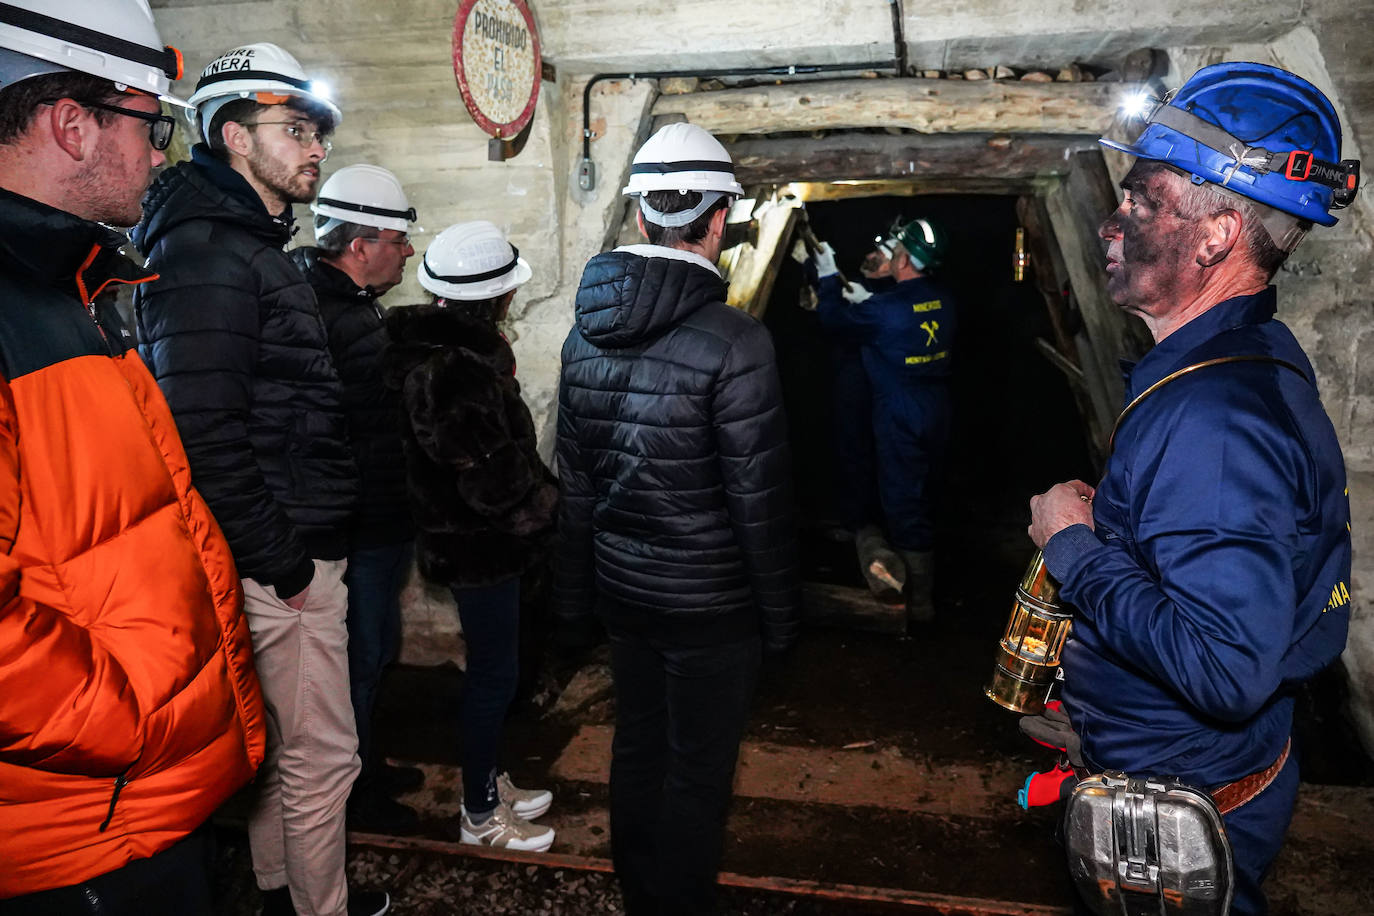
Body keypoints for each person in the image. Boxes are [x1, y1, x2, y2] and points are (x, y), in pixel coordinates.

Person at [1027, 62, 1356, 916]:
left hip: (1183, 800)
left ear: (1215, 235)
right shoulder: (1235, 360)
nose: (1110, 221)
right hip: (1190, 767)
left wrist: (1071, 546)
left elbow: (1221, 668)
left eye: (1141, 200)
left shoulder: (1213, 420)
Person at [0, 3, 265, 913]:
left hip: (126, 808)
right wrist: (132, 720)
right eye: (152, 126)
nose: (163, 155)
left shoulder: (69, 283)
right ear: (72, 126)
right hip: (80, 831)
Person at [131, 43, 385, 916]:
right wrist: (285, 561)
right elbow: (200, 432)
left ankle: (281, 894)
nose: (314, 149)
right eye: (295, 130)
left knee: (282, 752)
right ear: (234, 137)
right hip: (281, 552)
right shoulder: (213, 253)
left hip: (281, 541)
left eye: (316, 132)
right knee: (325, 758)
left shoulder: (241, 241)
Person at [555, 122, 800, 916]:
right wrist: (781, 618)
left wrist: (574, 600)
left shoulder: (582, 335)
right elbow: (757, 503)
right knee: (697, 765)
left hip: (626, 593)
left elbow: (576, 482)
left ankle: (638, 890)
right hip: (710, 606)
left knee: (637, 744)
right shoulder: (735, 341)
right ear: (718, 220)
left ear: (639, 219)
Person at [385, 220, 558, 853]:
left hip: (477, 542)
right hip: (479, 547)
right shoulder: (454, 367)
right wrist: (544, 510)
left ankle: (491, 779)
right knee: (491, 676)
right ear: (499, 298)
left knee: (497, 670)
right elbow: (486, 475)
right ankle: (480, 814)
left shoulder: (453, 355)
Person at [291, 164, 423, 834]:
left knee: (373, 653)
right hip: (360, 524)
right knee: (359, 661)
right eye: (399, 240)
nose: (407, 252)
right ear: (362, 243)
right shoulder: (325, 315)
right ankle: (357, 795)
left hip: (378, 519)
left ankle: (369, 766)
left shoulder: (350, 307)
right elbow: (330, 431)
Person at [812, 218, 957, 625]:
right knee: (928, 484)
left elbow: (832, 321)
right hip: (937, 402)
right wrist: (867, 301)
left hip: (900, 408)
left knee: (902, 493)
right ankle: (922, 574)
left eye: (896, 251)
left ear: (906, 258)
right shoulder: (945, 299)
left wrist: (827, 280)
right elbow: (904, 316)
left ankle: (917, 604)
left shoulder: (886, 310)